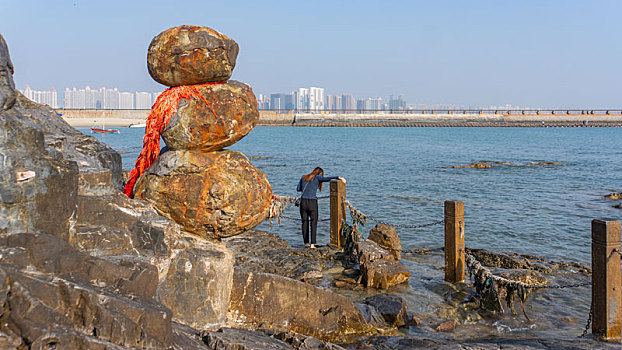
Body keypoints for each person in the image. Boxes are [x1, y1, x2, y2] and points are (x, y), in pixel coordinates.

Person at [296, 167, 345, 248]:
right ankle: (312, 244)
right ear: (320, 174)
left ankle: (306, 243)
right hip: (312, 202)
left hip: (303, 202)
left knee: (304, 223)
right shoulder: (318, 177)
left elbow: (298, 189)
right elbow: (327, 179)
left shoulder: (303, 177)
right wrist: (338, 177)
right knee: (313, 223)